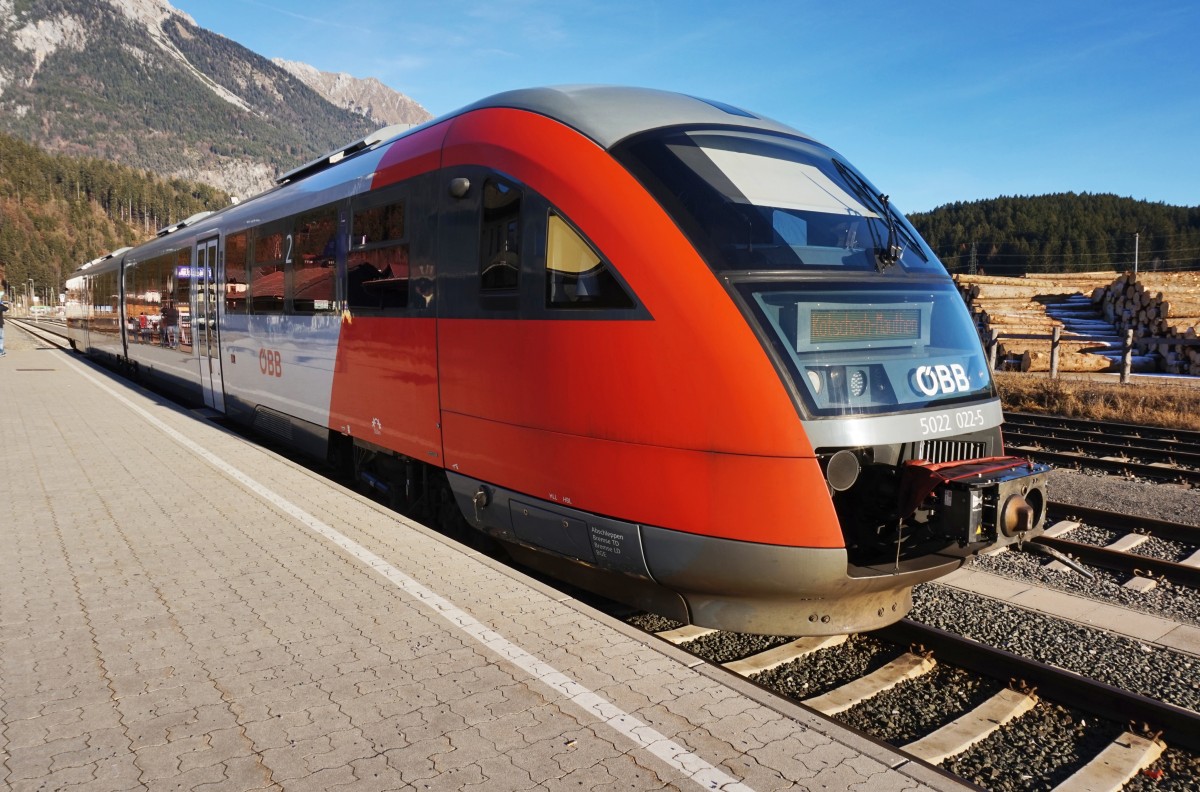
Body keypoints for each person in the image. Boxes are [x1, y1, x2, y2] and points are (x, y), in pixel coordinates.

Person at [0, 290, 9, 357]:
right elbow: (6, 309)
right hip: (0, 325)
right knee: (1, 338)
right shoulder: (0, 306)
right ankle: (1, 352)